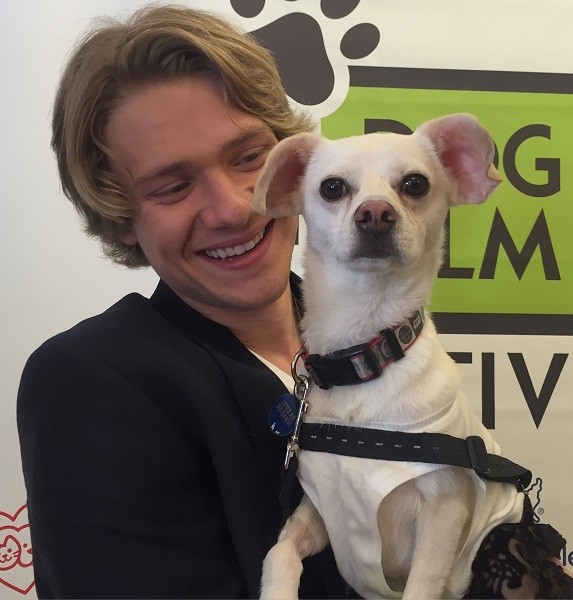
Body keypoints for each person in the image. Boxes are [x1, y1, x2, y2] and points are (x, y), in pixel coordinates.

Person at [17, 5, 348, 598]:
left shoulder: (379, 341)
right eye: (172, 186)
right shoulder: (91, 380)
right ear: (121, 218)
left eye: (249, 157)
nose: (232, 208)